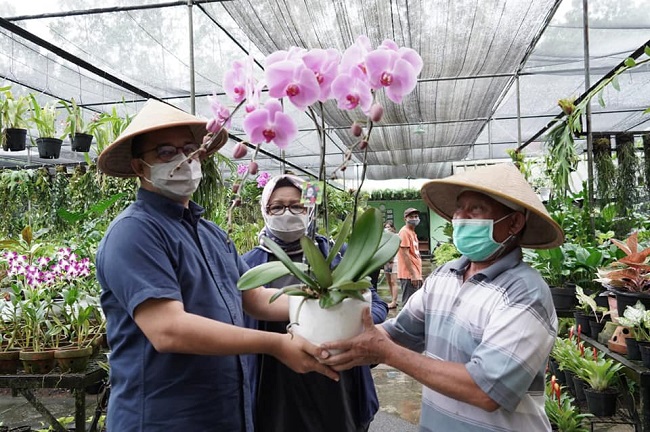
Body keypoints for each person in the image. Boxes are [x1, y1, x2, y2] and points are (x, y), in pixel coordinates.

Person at [94, 100, 337, 431]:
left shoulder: (210, 232)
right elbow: (168, 329)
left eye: (190, 149)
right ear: (140, 167)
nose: (184, 160)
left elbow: (251, 298)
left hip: (226, 413)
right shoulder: (134, 232)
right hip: (164, 419)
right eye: (166, 152)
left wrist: (323, 302)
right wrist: (275, 344)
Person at [317, 164, 564, 432]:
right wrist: (333, 345)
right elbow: (397, 333)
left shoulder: (525, 293)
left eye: (476, 209)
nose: (460, 218)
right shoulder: (445, 276)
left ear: (514, 222)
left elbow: (487, 390)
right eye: (459, 208)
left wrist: (386, 353)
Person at [243, 174, 387, 432]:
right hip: (275, 382)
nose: (287, 212)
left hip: (337, 378)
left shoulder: (336, 257)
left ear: (310, 209)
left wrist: (353, 319)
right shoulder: (249, 264)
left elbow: (375, 303)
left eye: (297, 205)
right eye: (277, 206)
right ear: (265, 211)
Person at [398, 208, 423, 305]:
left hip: (415, 274)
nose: (414, 218)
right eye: (411, 217)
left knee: (416, 304)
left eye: (416, 216)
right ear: (405, 219)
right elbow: (405, 255)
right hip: (408, 275)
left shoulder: (412, 232)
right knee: (409, 305)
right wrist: (413, 274)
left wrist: (418, 275)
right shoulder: (404, 232)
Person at [383, 221, 399, 309]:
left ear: (393, 228)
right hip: (386, 261)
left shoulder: (396, 237)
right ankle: (392, 299)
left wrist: (392, 261)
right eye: (386, 227)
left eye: (389, 227)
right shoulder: (384, 238)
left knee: (393, 281)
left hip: (394, 261)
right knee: (389, 281)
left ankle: (394, 301)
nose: (387, 229)